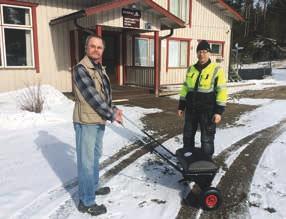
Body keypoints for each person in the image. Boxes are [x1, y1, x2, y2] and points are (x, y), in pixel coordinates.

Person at [72, 34, 122, 216]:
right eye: (92, 46)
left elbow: (104, 97)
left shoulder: (99, 68)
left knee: (94, 157)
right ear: (86, 48)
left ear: (103, 50)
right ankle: (86, 201)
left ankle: (92, 188)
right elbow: (92, 97)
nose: (96, 49)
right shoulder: (81, 69)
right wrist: (111, 114)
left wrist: (114, 109)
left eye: (99, 47)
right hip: (86, 121)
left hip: (98, 119)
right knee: (86, 162)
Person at [177, 40, 227, 158]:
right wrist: (181, 106)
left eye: (205, 52)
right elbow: (185, 89)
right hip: (191, 110)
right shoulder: (191, 69)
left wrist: (219, 112)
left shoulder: (216, 69)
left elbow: (222, 91)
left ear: (209, 53)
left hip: (208, 111)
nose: (202, 54)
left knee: (207, 139)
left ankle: (206, 163)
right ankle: (188, 160)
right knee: (188, 136)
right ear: (196, 53)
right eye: (199, 52)